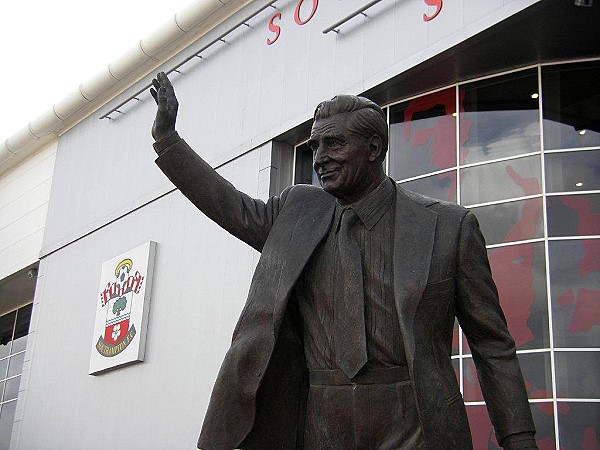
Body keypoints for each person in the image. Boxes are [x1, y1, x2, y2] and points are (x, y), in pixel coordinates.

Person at [150, 72, 537, 450]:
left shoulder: (449, 227)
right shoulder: (297, 210)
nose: (319, 159)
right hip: (319, 417)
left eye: (333, 144)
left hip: (414, 420)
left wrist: (518, 439)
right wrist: (169, 142)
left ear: (374, 148)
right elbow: (229, 206)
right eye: (315, 146)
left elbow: (491, 344)